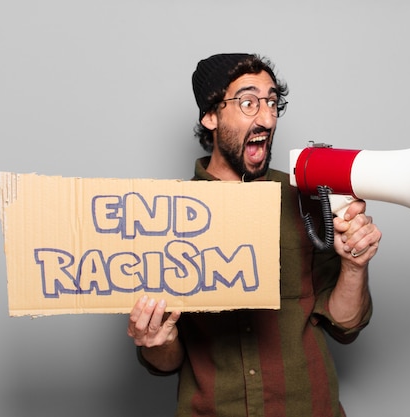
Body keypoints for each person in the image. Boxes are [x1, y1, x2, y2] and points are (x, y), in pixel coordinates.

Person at [126, 53, 382, 417]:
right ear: (210, 115)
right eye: (248, 102)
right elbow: (165, 362)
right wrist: (155, 341)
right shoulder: (163, 216)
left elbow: (346, 326)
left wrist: (354, 267)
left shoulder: (306, 198)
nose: (266, 118)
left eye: (272, 102)